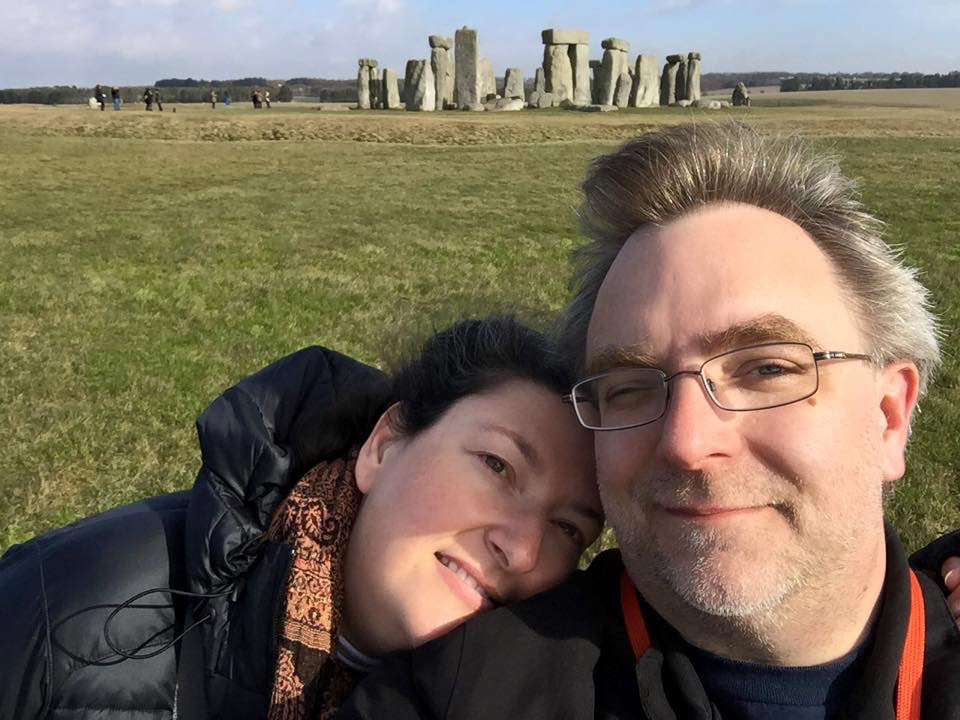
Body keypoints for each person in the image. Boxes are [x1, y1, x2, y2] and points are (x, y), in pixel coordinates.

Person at [336, 123, 960, 719]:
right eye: (631, 387)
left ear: (888, 416)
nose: (687, 442)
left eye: (766, 368)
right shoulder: (458, 691)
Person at [0, 317, 603, 720]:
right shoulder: (73, 609)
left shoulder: (525, 691)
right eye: (497, 465)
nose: (522, 549)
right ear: (384, 447)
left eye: (569, 529)